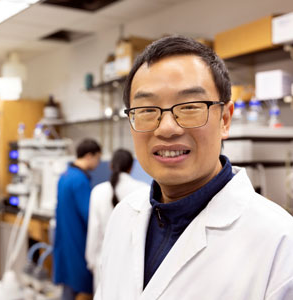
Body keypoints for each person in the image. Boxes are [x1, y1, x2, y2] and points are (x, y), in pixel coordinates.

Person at [95, 36, 293, 300]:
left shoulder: (281, 244)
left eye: (189, 107)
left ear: (225, 119)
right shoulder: (122, 216)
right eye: (146, 109)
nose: (166, 128)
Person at [85, 148, 149, 290]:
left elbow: (94, 231)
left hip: (103, 261)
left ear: (111, 165)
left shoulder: (98, 191)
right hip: (134, 264)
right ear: (131, 167)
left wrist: (91, 261)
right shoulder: (144, 190)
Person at [53, 138, 101, 300]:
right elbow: (89, 215)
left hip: (65, 241)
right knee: (80, 288)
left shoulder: (65, 175)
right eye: (98, 158)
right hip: (78, 242)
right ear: (89, 156)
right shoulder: (80, 180)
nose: (98, 163)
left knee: (68, 288)